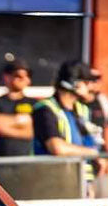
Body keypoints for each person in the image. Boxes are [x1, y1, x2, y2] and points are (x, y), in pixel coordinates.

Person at [32, 61, 100, 190]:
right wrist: (93, 153)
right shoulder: (46, 109)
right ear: (74, 83)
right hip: (54, 186)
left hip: (81, 184)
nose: (92, 87)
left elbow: (91, 143)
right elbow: (57, 148)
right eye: (87, 82)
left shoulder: (82, 110)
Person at [0, 58, 35, 157]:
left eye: (27, 76)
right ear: (7, 77)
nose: (23, 79)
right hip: (0, 160)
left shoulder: (34, 103)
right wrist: (20, 121)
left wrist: (3, 125)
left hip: (27, 159)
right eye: (18, 76)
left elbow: (34, 131)